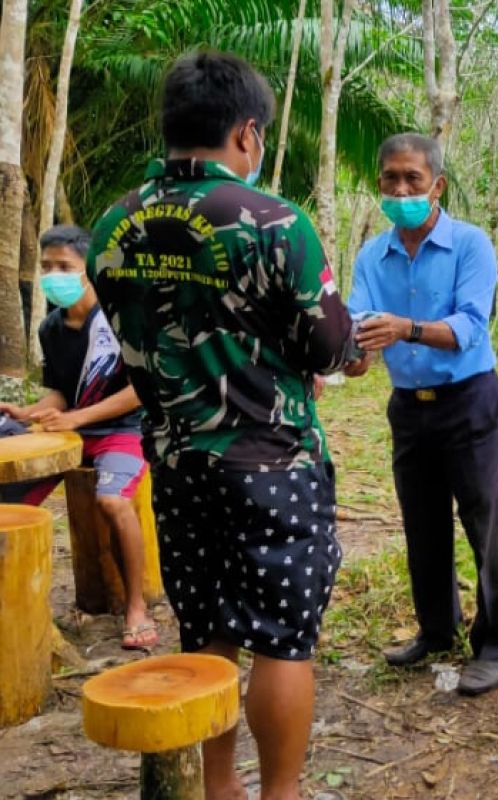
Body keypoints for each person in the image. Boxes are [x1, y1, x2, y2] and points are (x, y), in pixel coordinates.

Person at [88, 51, 363, 800]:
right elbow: (331, 347)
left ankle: (220, 789)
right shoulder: (276, 222)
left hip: (175, 462)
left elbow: (138, 337)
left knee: (205, 626)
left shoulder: (114, 224)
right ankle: (279, 794)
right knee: (283, 638)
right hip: (272, 460)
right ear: (248, 133)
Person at [348, 132, 498, 697]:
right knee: (421, 523)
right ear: (379, 185)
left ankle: (495, 645)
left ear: (437, 185)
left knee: (485, 524)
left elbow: (470, 327)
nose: (402, 189)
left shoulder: (471, 246)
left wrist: (403, 328)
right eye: (391, 179)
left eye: (413, 180)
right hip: (409, 408)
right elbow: (357, 325)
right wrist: (356, 354)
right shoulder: (372, 256)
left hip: (468, 402)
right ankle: (437, 629)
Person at [0, 224, 156, 650]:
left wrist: (79, 417)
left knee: (112, 501)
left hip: (122, 431)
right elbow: (61, 391)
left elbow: (141, 389)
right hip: (69, 431)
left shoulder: (121, 318)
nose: (54, 274)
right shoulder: (50, 328)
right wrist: (30, 411)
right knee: (8, 502)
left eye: (64, 266)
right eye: (47, 266)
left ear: (89, 271)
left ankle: (136, 607)